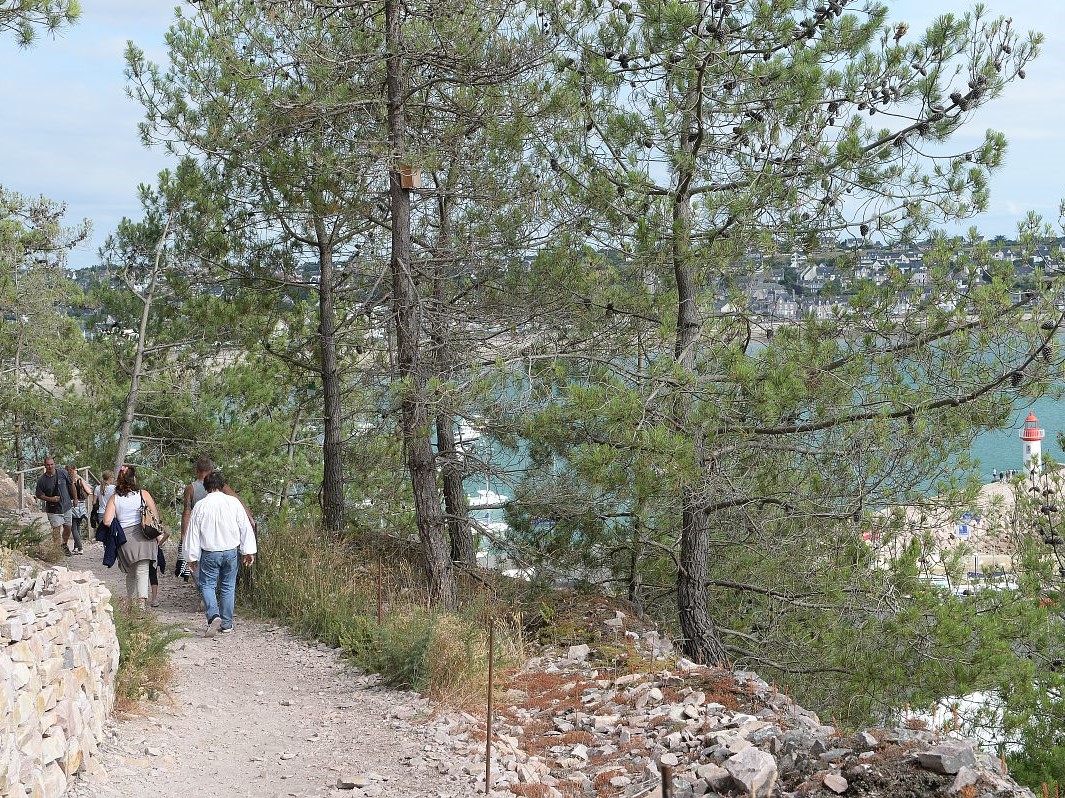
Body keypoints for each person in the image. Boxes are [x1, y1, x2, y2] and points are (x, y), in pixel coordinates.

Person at [184, 471, 257, 637]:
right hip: (231, 551)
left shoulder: (200, 506)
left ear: (206, 487)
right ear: (221, 485)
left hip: (210, 552)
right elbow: (244, 526)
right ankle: (227, 623)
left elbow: (193, 532)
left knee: (207, 585)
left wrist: (191, 557)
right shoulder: (233, 502)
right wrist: (248, 551)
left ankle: (213, 616)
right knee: (228, 586)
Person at [102, 464, 163, 610]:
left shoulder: (114, 498)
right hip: (144, 536)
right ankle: (140, 605)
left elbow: (107, 521)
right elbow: (155, 514)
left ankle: (131, 602)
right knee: (142, 570)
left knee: (131, 572)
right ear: (133, 478)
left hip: (125, 538)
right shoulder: (143, 494)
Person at [34, 456, 75, 554]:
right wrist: (50, 499)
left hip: (66, 506)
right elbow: (39, 495)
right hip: (53, 509)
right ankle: (57, 551)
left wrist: (75, 498)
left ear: (54, 464)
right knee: (56, 530)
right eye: (48, 465)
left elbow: (71, 485)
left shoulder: (63, 473)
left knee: (68, 527)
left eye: (52, 464)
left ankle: (64, 544)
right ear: (45, 465)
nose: (50, 466)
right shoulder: (42, 480)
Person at [66, 464, 91, 555]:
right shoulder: (80, 480)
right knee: (78, 526)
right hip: (81, 505)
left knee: (74, 528)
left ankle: (80, 547)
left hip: (72, 504)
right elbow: (89, 491)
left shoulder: (67, 481)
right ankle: (76, 547)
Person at [93, 470, 116, 536]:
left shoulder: (97, 488)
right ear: (110, 478)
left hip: (101, 512)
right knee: (112, 533)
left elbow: (94, 502)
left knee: (104, 535)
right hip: (111, 513)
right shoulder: (113, 488)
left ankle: (105, 546)